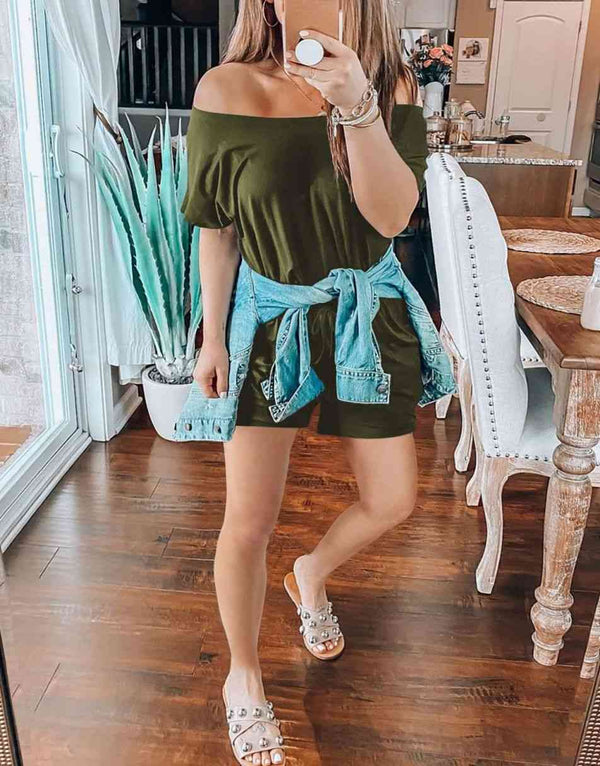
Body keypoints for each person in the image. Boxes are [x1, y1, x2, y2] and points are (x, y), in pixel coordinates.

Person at [180, 1, 454, 763]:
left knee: (392, 500)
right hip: (271, 320)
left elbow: (391, 218)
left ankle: (311, 572)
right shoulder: (227, 88)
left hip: (370, 313)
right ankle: (243, 677)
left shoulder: (390, 86)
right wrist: (212, 335)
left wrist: (357, 105)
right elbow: (218, 229)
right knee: (248, 521)